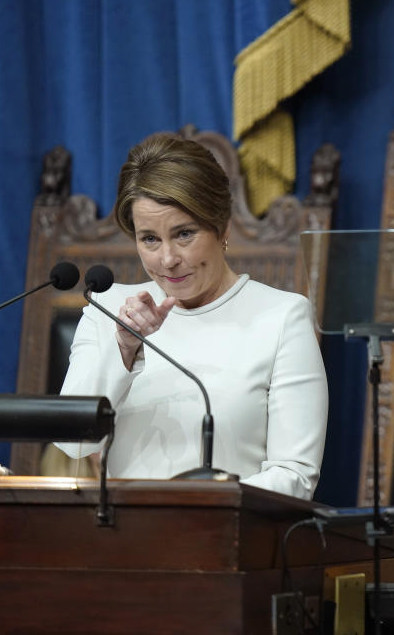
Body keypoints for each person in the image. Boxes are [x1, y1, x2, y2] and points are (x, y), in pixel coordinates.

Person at [56, 133, 328, 499]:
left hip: (227, 540)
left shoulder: (282, 317)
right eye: (149, 239)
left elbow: (294, 476)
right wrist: (123, 348)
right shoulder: (110, 310)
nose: (167, 259)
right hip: (123, 540)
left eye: (184, 234)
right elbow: (72, 443)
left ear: (222, 226)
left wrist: (196, 509)